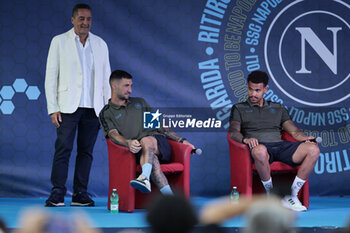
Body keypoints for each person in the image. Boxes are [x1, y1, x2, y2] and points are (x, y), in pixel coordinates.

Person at [44, 3, 111, 207]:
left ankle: (80, 194)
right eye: (81, 18)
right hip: (66, 107)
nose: (85, 23)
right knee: (63, 148)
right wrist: (53, 107)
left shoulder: (100, 44)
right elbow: (50, 76)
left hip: (94, 108)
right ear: (72, 20)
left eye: (88, 19)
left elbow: (106, 78)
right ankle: (57, 192)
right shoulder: (59, 41)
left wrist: (106, 109)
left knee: (86, 151)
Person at [229, 70, 320, 211]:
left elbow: (294, 131)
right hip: (260, 148)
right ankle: (272, 195)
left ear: (265, 89)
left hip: (281, 147)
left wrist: (305, 138)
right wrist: (246, 139)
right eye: (250, 89)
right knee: (259, 151)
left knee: (313, 150)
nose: (253, 94)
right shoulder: (239, 108)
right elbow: (234, 132)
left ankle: (292, 195)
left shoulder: (278, 108)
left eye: (257, 90)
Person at [99, 70, 195, 194]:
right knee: (152, 162)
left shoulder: (139, 102)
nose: (130, 90)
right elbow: (113, 134)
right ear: (114, 85)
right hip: (139, 152)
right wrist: (128, 142)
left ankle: (144, 177)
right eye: (126, 86)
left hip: (160, 145)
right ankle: (171, 200)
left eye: (131, 86)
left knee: (146, 140)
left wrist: (182, 140)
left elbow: (160, 126)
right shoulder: (106, 112)